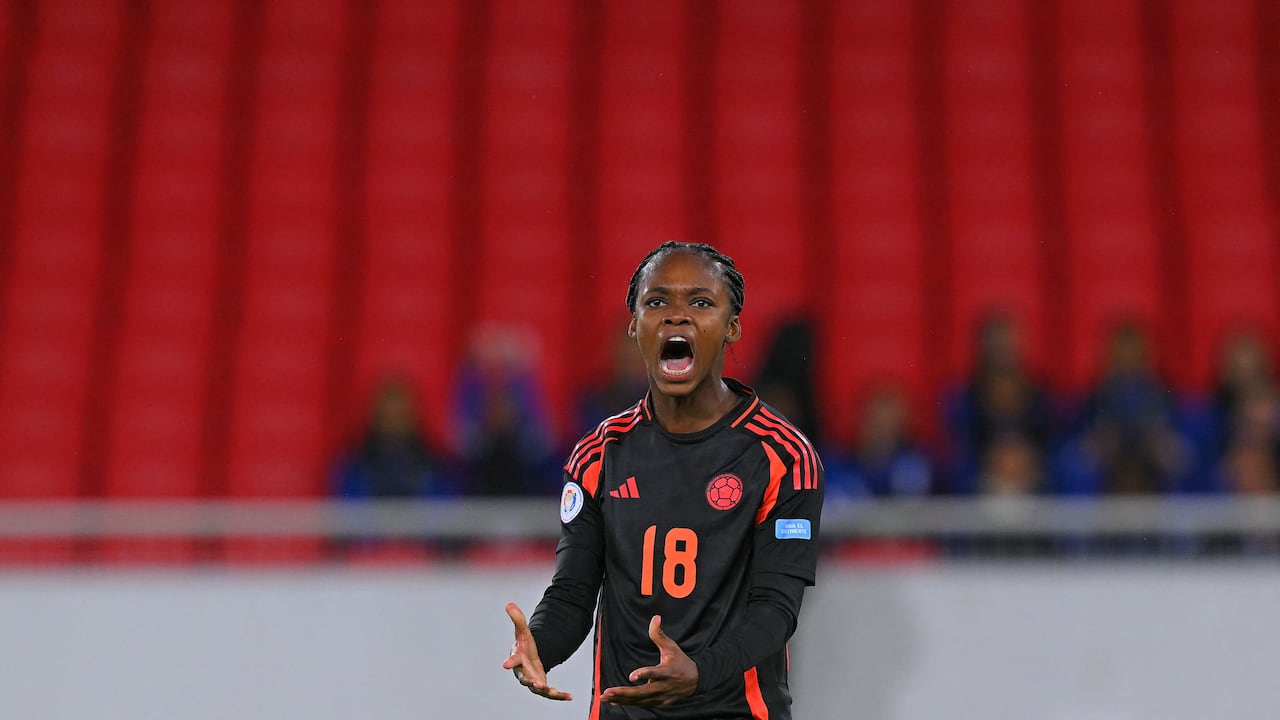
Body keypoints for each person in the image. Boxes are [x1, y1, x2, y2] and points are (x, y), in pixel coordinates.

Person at [502, 242, 824, 719]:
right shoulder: (599, 455)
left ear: (731, 326)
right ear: (635, 326)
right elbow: (573, 590)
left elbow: (775, 611)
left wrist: (699, 672)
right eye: (657, 302)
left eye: (700, 302)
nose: (676, 316)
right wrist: (540, 645)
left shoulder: (783, 456)